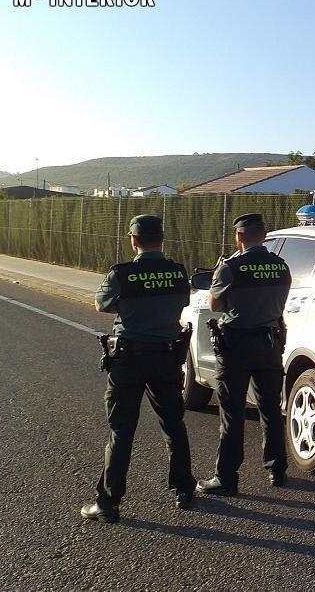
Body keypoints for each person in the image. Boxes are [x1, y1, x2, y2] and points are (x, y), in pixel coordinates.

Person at [82, 215, 195, 523]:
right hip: (167, 358)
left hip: (129, 359)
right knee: (174, 424)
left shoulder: (123, 274)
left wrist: (132, 308)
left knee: (121, 430)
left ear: (133, 240)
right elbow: (181, 303)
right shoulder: (177, 272)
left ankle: (108, 503)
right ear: (162, 238)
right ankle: (184, 489)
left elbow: (102, 304)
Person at [197, 213, 292, 496]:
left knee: (232, 413)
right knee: (271, 410)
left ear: (239, 237)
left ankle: (226, 478)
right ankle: (277, 469)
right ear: (264, 235)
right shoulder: (280, 266)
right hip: (269, 344)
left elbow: (214, 305)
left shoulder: (230, 267)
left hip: (236, 346)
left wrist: (218, 276)